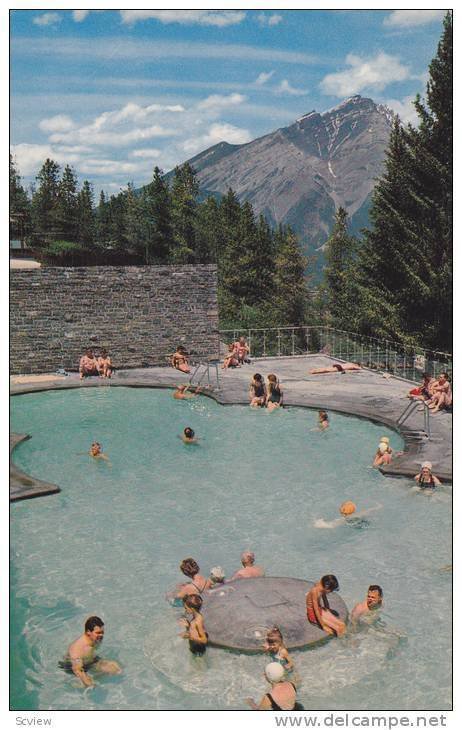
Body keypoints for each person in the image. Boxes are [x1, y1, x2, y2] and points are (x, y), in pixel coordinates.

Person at [59, 615, 121, 687]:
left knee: (115, 669)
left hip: (89, 661)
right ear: (88, 632)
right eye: (98, 633)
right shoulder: (78, 649)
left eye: (102, 632)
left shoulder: (93, 639)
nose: (101, 635)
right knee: (88, 685)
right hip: (73, 668)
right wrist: (90, 684)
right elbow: (77, 670)